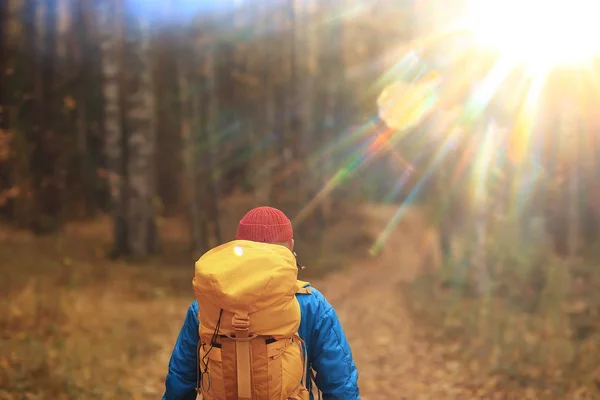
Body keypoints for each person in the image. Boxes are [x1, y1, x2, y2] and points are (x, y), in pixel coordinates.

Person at [163, 206, 360, 400]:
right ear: (290, 246)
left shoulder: (207, 304)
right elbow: (340, 384)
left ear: (238, 249)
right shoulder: (311, 303)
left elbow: (180, 379)